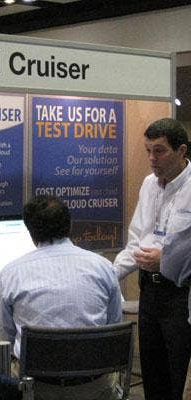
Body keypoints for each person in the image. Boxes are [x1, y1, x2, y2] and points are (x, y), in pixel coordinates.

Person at [0, 195, 122, 400]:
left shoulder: (11, 273)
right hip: (94, 387)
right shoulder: (103, 267)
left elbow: (7, 337)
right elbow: (113, 326)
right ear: (69, 225)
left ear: (30, 232)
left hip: (36, 389)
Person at [113, 117, 191, 400]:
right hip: (149, 291)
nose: (151, 159)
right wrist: (107, 276)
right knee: (153, 376)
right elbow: (137, 240)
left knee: (178, 376)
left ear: (181, 151)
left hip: (181, 294)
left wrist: (166, 260)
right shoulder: (149, 184)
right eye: (148, 151)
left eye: (159, 151)